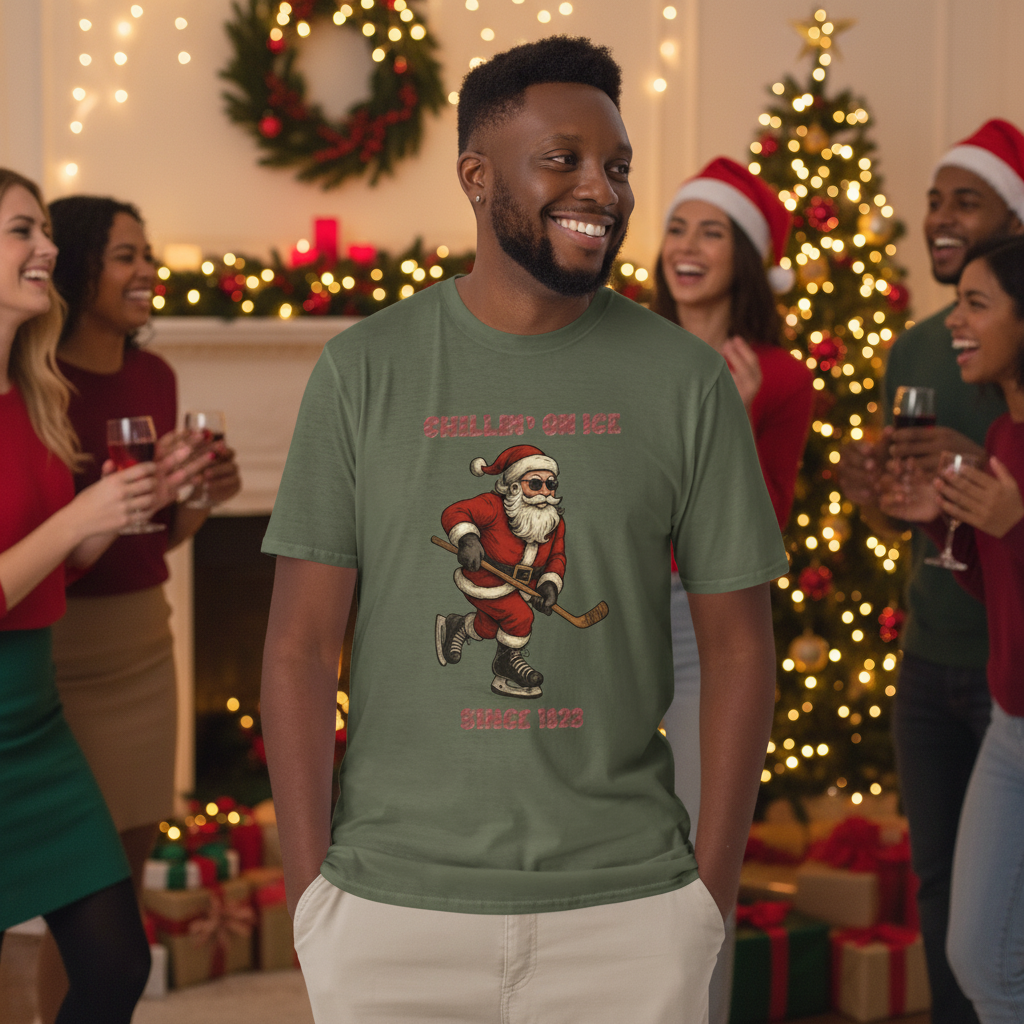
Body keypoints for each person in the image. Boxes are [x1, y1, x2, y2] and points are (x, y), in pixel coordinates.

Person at [261, 36, 786, 1024]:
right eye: (564, 158)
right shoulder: (363, 370)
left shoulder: (685, 381)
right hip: (388, 906)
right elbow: (296, 644)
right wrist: (311, 896)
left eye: (617, 165)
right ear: (476, 174)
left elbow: (738, 646)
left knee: (518, 625)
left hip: (630, 909)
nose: (603, 187)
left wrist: (703, 901)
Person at [30, 195, 241, 1020]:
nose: (148, 270)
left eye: (147, 254)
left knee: (131, 867)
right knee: (81, 895)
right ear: (81, 268)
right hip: (64, 657)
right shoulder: (38, 379)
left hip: (146, 647)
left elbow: (157, 538)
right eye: (126, 255)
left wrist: (201, 498)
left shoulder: (156, 376)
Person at [839, 118, 1024, 1024]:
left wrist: (984, 478)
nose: (941, 218)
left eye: (968, 200)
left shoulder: (1001, 357)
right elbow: (910, 507)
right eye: (935, 201)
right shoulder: (918, 345)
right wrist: (875, 490)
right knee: (944, 886)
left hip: (1011, 670)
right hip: (932, 652)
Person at [653, 158, 813, 1023]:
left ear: (743, 258)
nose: (687, 246)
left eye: (711, 231)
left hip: (704, 634)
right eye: (678, 226)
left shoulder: (780, 380)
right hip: (607, 618)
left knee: (697, 860)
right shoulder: (621, 351)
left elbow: (764, 537)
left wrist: (738, 420)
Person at [0, 168, 153, 1022]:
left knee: (115, 963)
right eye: (23, 230)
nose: (47, 248)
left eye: (45, 232)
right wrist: (74, 523)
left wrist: (115, 513)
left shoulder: (34, 396)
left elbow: (47, 572)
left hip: (36, 727)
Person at [881, 235, 1024, 1024]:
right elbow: (996, 587)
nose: (955, 322)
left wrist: (1017, 523)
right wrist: (946, 528)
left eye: (977, 304)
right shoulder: (1003, 437)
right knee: (974, 952)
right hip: (1012, 727)